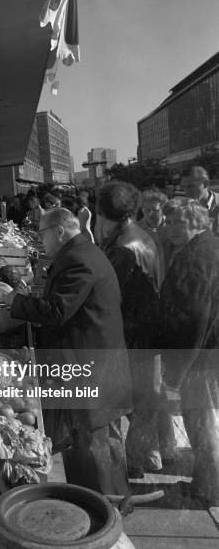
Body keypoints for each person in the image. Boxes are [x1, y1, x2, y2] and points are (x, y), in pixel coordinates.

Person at [0, 208, 133, 500]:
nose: (40, 240)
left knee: (90, 437)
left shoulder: (78, 259)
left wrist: (14, 301)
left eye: (42, 234)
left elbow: (58, 311)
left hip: (89, 362)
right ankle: (113, 499)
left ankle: (100, 504)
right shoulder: (82, 251)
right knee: (102, 435)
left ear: (58, 231)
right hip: (96, 356)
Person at [96, 181, 175, 477]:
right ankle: (157, 452)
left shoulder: (123, 249)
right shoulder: (141, 235)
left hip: (135, 336)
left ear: (104, 213)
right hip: (147, 333)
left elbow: (107, 298)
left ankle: (136, 460)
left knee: (138, 402)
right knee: (149, 397)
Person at [157, 199, 219, 507]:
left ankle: (208, 488)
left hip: (200, 357)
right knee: (206, 420)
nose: (168, 229)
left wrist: (179, 368)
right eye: (167, 222)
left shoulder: (196, 256)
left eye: (174, 223)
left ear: (195, 223)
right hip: (207, 352)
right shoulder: (210, 248)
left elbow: (196, 317)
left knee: (201, 421)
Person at [137, 189, 171, 282]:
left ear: (163, 209)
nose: (150, 214)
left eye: (155, 210)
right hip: (148, 282)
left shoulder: (172, 227)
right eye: (147, 210)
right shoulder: (136, 231)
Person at [181, 165, 219, 234]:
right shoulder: (183, 209)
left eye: (191, 186)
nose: (186, 191)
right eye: (184, 187)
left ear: (205, 184)